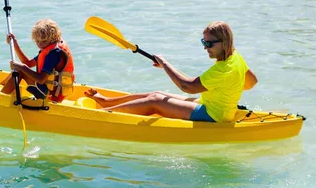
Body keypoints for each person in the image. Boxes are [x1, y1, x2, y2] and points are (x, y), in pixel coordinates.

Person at [84, 21, 258, 122]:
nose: (206, 48)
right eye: (203, 42)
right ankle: (107, 102)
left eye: (209, 44)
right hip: (212, 104)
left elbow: (186, 86)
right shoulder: (236, 57)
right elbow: (251, 82)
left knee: (156, 101)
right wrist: (228, 90)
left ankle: (101, 117)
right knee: (156, 93)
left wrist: (165, 63)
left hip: (214, 115)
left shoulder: (222, 69)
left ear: (224, 42)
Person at [0, 18, 74, 102]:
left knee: (20, 70)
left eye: (44, 41)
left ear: (54, 37)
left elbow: (41, 79)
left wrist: (22, 67)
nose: (40, 45)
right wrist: (15, 44)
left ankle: (1, 98)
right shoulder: (49, 48)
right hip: (49, 89)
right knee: (20, 68)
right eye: (37, 41)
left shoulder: (54, 53)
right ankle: (1, 87)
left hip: (51, 95)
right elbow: (28, 63)